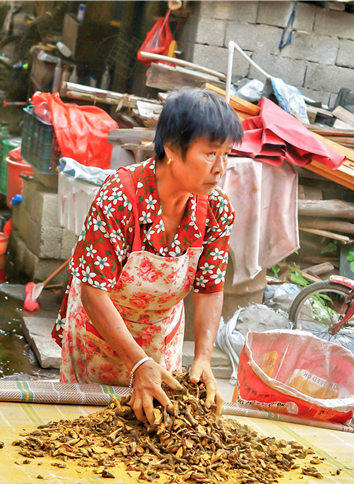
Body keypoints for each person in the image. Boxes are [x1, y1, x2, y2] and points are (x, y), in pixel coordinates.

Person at [52, 88, 243, 425]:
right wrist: (137, 364)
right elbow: (93, 292)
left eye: (227, 154)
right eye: (211, 154)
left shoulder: (216, 208)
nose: (220, 168)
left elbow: (210, 288)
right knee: (86, 431)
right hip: (99, 336)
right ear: (171, 149)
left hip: (161, 338)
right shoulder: (120, 197)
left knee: (155, 429)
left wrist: (202, 357)